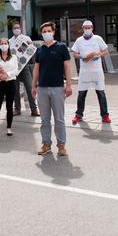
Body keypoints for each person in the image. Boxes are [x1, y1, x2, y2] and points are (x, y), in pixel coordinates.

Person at [31, 22, 73, 156]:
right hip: (42, 89)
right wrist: (33, 85)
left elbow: (67, 66)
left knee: (59, 119)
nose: (46, 33)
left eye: (49, 31)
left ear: (53, 32)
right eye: (44, 31)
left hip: (58, 88)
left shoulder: (61, 48)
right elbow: (36, 69)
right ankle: (46, 144)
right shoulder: (40, 50)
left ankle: (61, 145)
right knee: (44, 119)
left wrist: (69, 85)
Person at [70, 20, 112, 125]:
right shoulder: (79, 40)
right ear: (83, 29)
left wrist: (99, 55)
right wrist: (82, 57)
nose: (87, 29)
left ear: (92, 28)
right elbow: (74, 53)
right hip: (84, 71)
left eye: (89, 27)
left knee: (101, 93)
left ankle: (105, 115)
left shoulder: (98, 39)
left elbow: (105, 50)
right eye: (85, 28)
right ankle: (78, 115)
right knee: (81, 93)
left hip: (97, 71)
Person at [0, 38, 18, 137]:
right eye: (2, 43)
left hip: (10, 83)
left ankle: (9, 128)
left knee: (9, 107)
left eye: (5, 43)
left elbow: (15, 71)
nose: (4, 45)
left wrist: (7, 75)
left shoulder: (13, 57)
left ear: (8, 45)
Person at [10, 22, 40, 117]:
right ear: (12, 29)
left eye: (18, 27)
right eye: (15, 28)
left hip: (25, 66)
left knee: (30, 87)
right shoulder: (9, 41)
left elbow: (30, 50)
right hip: (14, 68)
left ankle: (34, 109)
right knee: (15, 89)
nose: (16, 29)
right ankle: (17, 109)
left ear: (20, 29)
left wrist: (29, 46)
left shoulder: (26, 38)